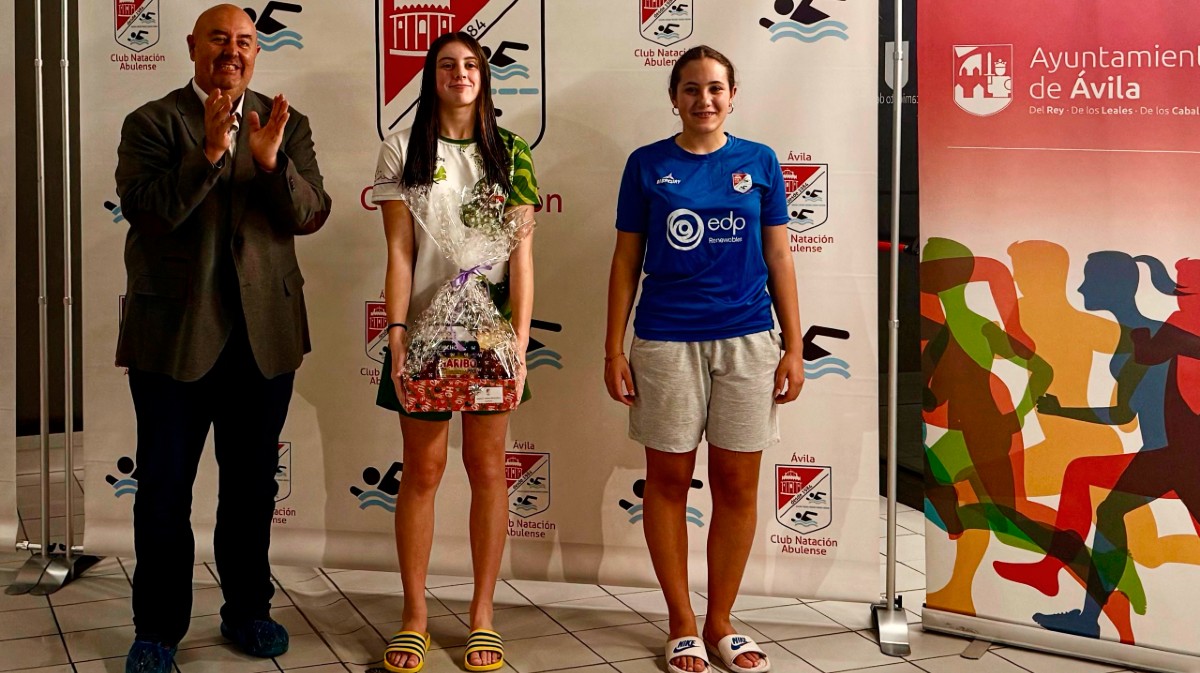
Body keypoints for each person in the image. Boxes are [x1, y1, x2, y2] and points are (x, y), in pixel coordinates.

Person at [114, 4, 330, 671]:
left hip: (263, 337)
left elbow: (310, 213)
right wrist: (208, 153)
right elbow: (147, 213)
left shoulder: (286, 122)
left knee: (251, 487)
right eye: (218, 39)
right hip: (174, 336)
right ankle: (157, 628)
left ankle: (248, 610)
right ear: (192, 46)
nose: (232, 51)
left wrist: (269, 164)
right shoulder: (151, 121)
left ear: (256, 53)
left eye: (244, 41)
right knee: (163, 489)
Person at [604, 45, 803, 673]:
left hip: (748, 339)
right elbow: (625, 262)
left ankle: (721, 621)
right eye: (691, 89)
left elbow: (780, 257)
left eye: (716, 88)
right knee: (667, 483)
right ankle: (682, 622)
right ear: (674, 97)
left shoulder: (760, 162)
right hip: (666, 341)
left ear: (733, 96)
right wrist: (612, 348)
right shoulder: (646, 164)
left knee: (737, 487)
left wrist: (794, 346)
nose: (704, 100)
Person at [369, 31, 538, 673]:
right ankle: (414, 616)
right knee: (423, 470)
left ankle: (482, 615)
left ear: (484, 77)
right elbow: (399, 251)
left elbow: (522, 257)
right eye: (447, 65)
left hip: (492, 335)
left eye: (471, 64)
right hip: (425, 333)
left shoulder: (512, 152)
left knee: (489, 468)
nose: (460, 74)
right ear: (431, 77)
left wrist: (519, 339)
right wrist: (397, 332)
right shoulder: (400, 149)